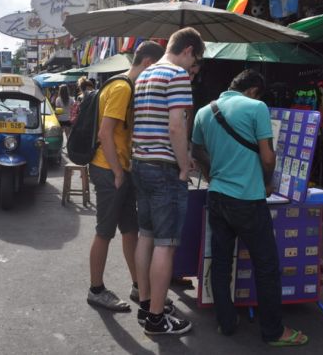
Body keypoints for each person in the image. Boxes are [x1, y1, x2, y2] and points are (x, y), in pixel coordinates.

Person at [191, 69, 308, 346]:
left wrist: (211, 175)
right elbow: (267, 158)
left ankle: (226, 322)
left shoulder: (204, 112)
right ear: (254, 90)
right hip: (248, 200)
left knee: (221, 263)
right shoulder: (257, 108)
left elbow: (196, 152)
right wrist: (268, 182)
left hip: (217, 197)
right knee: (266, 266)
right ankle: (273, 332)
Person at [132, 28, 204, 335]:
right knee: (166, 244)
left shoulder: (145, 75)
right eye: (194, 59)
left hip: (141, 163)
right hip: (164, 170)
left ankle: (146, 305)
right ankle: (157, 319)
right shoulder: (177, 75)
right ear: (188, 50)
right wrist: (184, 166)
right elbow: (176, 127)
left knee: (146, 236)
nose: (193, 67)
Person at [87, 41, 165, 312]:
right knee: (104, 232)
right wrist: (118, 172)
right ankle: (96, 289)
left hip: (120, 169)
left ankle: (138, 286)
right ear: (148, 63)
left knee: (130, 230)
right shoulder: (122, 88)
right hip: (110, 169)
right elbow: (105, 133)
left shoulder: (125, 85)